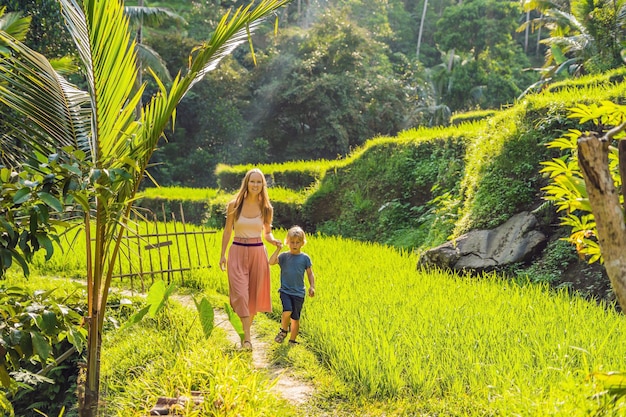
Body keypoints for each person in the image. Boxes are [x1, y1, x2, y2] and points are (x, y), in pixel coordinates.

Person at [220, 168, 282, 350]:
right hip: (237, 251)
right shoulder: (234, 205)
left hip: (257, 252)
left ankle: (246, 338)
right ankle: (247, 338)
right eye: (252, 181)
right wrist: (222, 254)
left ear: (263, 185)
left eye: (259, 182)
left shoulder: (267, 208)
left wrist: (274, 242)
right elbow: (227, 231)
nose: (255, 185)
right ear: (246, 183)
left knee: (253, 297)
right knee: (240, 295)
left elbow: (267, 233)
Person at [269, 225, 316, 345]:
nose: (294, 245)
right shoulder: (284, 256)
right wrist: (278, 249)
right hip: (285, 291)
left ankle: (292, 340)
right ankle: (283, 331)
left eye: (297, 242)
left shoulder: (305, 258)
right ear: (287, 242)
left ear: (302, 243)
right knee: (287, 311)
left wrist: (312, 286)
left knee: (295, 318)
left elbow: (310, 274)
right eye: (292, 242)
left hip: (299, 293)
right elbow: (271, 262)